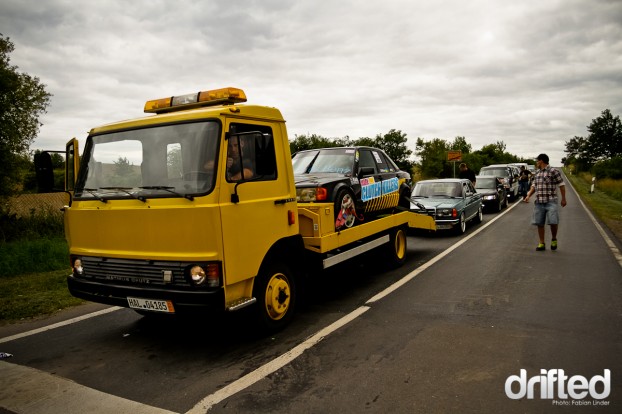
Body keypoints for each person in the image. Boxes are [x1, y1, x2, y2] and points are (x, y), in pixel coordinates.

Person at [524, 153, 567, 251]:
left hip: (551, 201)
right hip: (539, 201)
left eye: (537, 161)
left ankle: (554, 239)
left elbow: (561, 184)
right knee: (539, 223)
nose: (536, 163)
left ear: (541, 161)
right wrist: (528, 195)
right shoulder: (537, 173)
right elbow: (534, 186)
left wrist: (563, 198)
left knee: (553, 221)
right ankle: (541, 243)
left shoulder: (553, 171)